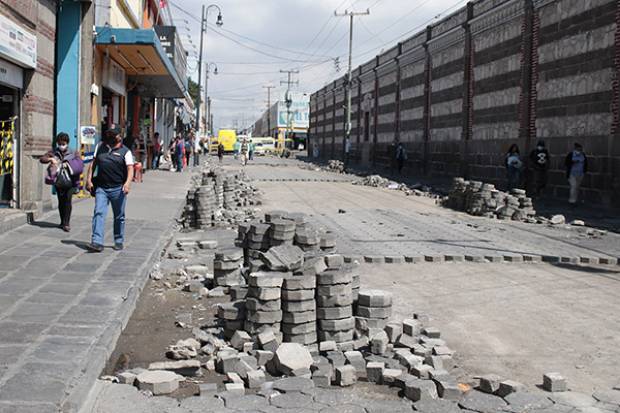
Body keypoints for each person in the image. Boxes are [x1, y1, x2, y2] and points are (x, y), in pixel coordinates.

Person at [86, 128, 134, 252]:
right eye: (110, 134)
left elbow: (130, 169)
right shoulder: (100, 147)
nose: (111, 137)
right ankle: (97, 242)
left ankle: (118, 239)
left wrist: (127, 184)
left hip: (118, 188)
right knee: (99, 212)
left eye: (114, 135)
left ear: (119, 136)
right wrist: (89, 179)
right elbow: (93, 164)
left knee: (119, 216)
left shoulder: (125, 151)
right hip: (102, 187)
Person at [40, 132, 83, 232]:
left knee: (68, 200)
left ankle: (66, 223)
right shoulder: (54, 152)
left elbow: (80, 164)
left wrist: (68, 164)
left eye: (63, 143)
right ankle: (62, 221)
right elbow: (42, 159)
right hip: (59, 181)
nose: (61, 146)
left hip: (71, 181)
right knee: (61, 201)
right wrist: (51, 159)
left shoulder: (73, 152)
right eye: (59, 143)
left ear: (67, 143)